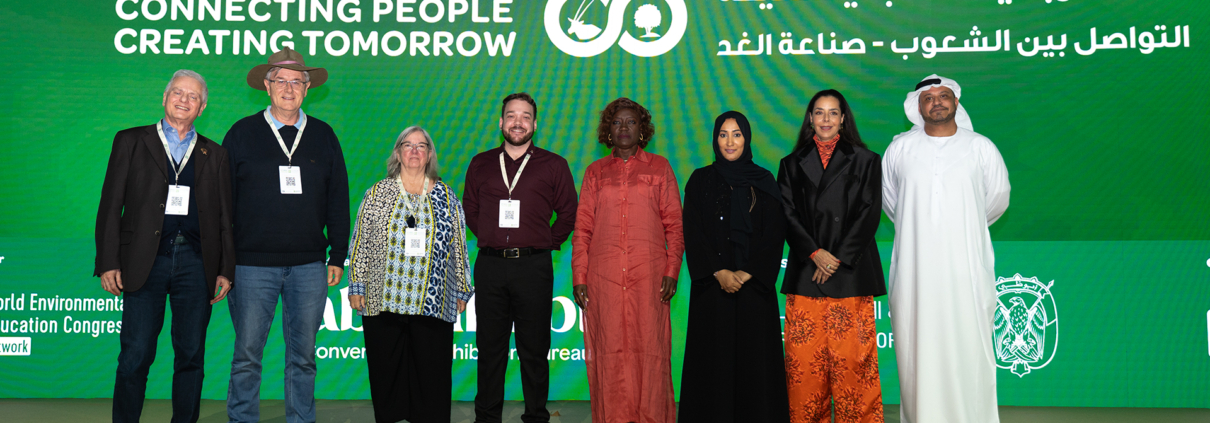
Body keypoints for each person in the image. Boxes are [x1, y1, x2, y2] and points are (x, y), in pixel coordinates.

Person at [94, 69, 234, 423]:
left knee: (191, 356)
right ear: (164, 97)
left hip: (196, 263)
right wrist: (108, 261)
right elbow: (110, 204)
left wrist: (225, 268)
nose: (184, 100)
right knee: (135, 355)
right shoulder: (130, 140)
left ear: (202, 108)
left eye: (193, 96)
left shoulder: (215, 153)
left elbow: (224, 217)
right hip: (144, 261)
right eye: (178, 92)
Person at [223, 47, 350, 423]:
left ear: (308, 89)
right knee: (247, 355)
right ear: (267, 86)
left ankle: (301, 419)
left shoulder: (324, 135)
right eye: (281, 80)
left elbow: (338, 198)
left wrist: (337, 255)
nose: (289, 88)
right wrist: (224, 260)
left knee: (304, 356)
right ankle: (242, 419)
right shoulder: (241, 133)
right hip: (250, 265)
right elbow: (222, 202)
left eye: (297, 81)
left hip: (309, 265)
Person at [882, 75, 1010, 423]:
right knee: (917, 347)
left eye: (944, 96)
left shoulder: (981, 147)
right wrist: (922, 227)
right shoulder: (899, 150)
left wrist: (963, 226)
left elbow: (997, 199)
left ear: (955, 102)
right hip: (916, 271)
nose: (936, 102)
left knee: (968, 345)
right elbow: (893, 203)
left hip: (965, 269)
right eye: (928, 98)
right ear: (918, 107)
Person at [462, 92, 578, 423]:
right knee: (490, 350)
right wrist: (491, 236)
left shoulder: (554, 165)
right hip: (491, 266)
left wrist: (543, 243)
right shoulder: (481, 163)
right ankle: (486, 418)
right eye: (512, 115)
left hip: (533, 267)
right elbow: (470, 209)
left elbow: (568, 213)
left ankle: (536, 417)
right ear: (501, 122)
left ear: (535, 125)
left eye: (525, 116)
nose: (518, 122)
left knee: (535, 351)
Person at [346, 126, 474, 423]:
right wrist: (357, 284)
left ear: (429, 154)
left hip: (433, 300)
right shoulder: (377, 193)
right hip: (383, 298)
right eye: (408, 145)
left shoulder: (446, 195)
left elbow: (459, 244)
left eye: (421, 145)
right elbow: (361, 240)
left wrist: (462, 288)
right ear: (398, 153)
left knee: (432, 375)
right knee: (386, 373)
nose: (414, 151)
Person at [572, 97, 685, 423]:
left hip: (649, 277)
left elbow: (675, 226)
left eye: (631, 122)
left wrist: (672, 270)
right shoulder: (595, 173)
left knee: (650, 351)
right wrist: (580, 276)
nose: (624, 127)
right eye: (617, 122)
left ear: (642, 129)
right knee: (608, 352)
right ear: (608, 130)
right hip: (603, 279)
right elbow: (583, 229)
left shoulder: (659, 168)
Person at [778, 90, 886, 423]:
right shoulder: (791, 164)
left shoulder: (867, 160)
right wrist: (815, 253)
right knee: (805, 369)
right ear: (810, 119)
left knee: (854, 367)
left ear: (843, 119)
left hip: (849, 273)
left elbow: (869, 213)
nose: (826, 119)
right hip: (807, 273)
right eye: (819, 112)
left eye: (833, 113)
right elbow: (786, 214)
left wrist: (835, 258)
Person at [678, 111, 790, 423]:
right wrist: (719, 272)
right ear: (715, 139)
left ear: (747, 138)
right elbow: (693, 231)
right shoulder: (700, 180)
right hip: (713, 290)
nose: (730, 141)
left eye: (737, 134)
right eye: (723, 134)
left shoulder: (764, 181)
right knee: (712, 364)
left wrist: (747, 272)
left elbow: (774, 233)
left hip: (754, 289)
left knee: (755, 365)